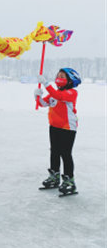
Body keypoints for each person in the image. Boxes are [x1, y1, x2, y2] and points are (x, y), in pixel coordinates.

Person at [35, 68, 80, 196]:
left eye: (63, 76)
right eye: (58, 75)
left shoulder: (71, 92)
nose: (59, 77)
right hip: (54, 126)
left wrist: (45, 83)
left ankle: (69, 181)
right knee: (54, 152)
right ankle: (54, 176)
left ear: (70, 81)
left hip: (67, 128)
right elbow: (44, 103)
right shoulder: (55, 92)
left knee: (65, 153)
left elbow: (58, 96)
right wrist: (37, 96)